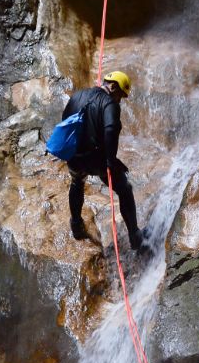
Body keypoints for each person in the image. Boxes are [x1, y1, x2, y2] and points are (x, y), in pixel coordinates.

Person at [63, 70, 149, 254]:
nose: (119, 100)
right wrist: (110, 161)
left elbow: (65, 119)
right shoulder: (109, 103)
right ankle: (135, 237)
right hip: (95, 159)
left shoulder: (78, 95)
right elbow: (110, 129)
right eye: (120, 95)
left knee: (77, 182)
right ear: (113, 86)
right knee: (124, 189)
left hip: (73, 155)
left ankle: (76, 226)